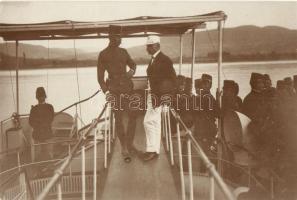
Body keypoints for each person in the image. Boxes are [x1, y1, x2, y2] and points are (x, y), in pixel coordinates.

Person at [97, 25, 137, 162]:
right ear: (110, 37)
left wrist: (130, 72)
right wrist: (106, 91)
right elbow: (100, 78)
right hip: (114, 90)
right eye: (117, 37)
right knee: (118, 119)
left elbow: (133, 65)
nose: (120, 39)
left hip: (127, 88)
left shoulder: (124, 52)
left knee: (133, 115)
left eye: (120, 37)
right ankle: (124, 145)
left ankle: (130, 142)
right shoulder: (103, 54)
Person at [143, 35, 177, 161]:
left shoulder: (165, 60)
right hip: (153, 95)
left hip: (158, 97)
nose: (147, 48)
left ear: (157, 46)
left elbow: (173, 80)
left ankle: (152, 150)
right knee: (155, 123)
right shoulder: (154, 59)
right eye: (147, 46)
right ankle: (154, 150)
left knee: (148, 122)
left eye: (150, 46)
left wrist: (166, 96)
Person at [29, 87, 54, 161]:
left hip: (39, 135)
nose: (41, 97)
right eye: (40, 96)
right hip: (46, 134)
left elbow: (31, 122)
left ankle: (40, 169)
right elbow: (50, 119)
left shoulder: (34, 109)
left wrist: (38, 125)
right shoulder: (50, 107)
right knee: (48, 156)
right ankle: (48, 169)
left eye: (41, 96)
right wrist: (42, 125)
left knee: (40, 157)